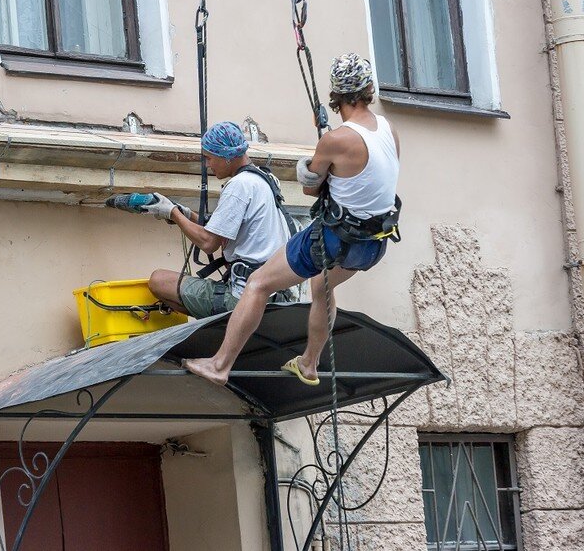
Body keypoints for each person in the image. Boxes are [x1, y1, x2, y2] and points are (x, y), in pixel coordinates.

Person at [183, 53, 401, 386]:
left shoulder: (336, 140)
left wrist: (314, 160)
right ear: (369, 88)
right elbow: (367, 182)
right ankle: (309, 364)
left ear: (336, 95)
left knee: (258, 283)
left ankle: (220, 365)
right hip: (372, 245)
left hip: (333, 239)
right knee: (322, 286)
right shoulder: (389, 131)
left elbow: (311, 189)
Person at [141, 121, 295, 319]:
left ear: (227, 157)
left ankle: (222, 324)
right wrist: (187, 215)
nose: (207, 165)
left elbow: (209, 243)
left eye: (209, 158)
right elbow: (223, 230)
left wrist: (172, 213)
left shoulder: (239, 186)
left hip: (244, 298)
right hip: (274, 295)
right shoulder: (264, 179)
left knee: (159, 281)